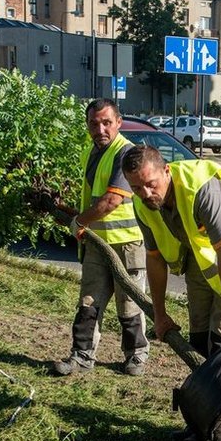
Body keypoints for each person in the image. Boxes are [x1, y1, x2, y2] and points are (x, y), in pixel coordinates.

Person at [121, 144, 221, 358]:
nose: (146, 194)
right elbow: (154, 259)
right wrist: (160, 316)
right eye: (136, 188)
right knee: (198, 340)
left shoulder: (203, 189)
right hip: (202, 259)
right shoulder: (142, 203)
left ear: (166, 171)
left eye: (151, 184)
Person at [52, 99, 149, 377]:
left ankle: (136, 356)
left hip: (127, 243)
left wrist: (79, 221)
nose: (100, 129)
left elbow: (112, 201)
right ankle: (82, 356)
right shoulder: (91, 152)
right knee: (88, 301)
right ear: (87, 125)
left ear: (118, 122)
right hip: (97, 242)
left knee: (129, 304)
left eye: (107, 122)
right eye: (94, 123)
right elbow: (93, 197)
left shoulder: (125, 153)